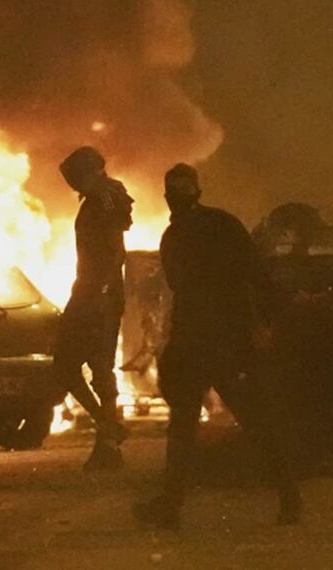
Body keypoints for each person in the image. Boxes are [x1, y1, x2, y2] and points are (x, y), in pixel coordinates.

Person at [133, 163, 301, 529]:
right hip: (229, 342)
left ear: (169, 198)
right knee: (254, 420)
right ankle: (290, 499)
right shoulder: (225, 225)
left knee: (183, 428)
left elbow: (180, 284)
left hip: (200, 343)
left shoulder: (175, 236)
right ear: (198, 193)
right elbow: (258, 274)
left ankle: (171, 507)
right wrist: (267, 322)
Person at [54, 146, 133, 470]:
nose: (73, 185)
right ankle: (108, 427)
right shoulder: (100, 198)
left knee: (100, 365)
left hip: (99, 294)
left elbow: (117, 251)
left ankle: (108, 443)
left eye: (75, 177)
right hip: (87, 291)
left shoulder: (106, 199)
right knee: (65, 362)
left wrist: (101, 291)